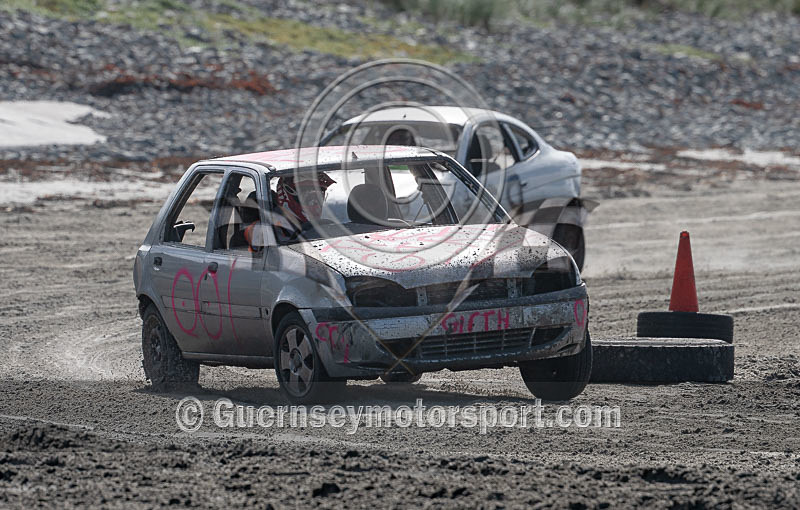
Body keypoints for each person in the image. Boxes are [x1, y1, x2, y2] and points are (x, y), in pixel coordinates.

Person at [272, 173, 336, 240]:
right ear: (287, 195)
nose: (314, 202)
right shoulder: (271, 227)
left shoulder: (318, 227)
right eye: (307, 195)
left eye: (319, 195)